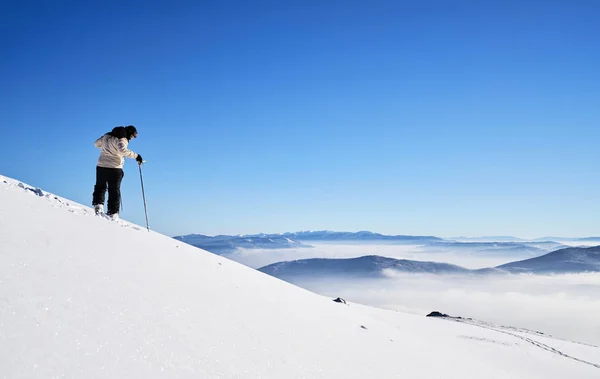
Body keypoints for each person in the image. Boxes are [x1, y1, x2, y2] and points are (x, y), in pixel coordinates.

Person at [92, 125, 143, 220]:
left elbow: (96, 144)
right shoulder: (122, 139)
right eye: (133, 136)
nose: (132, 138)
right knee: (114, 190)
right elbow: (122, 150)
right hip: (115, 168)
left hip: (101, 166)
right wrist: (136, 156)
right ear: (129, 133)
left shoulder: (106, 136)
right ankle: (113, 212)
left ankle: (98, 205)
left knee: (100, 186)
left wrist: (106, 147)